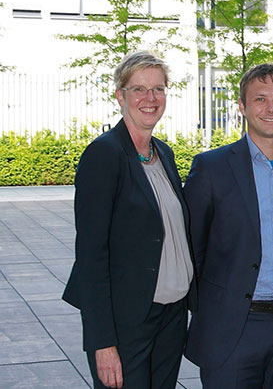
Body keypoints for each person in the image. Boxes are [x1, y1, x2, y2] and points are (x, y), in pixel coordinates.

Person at [183, 63, 273, 388]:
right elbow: (191, 247)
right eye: (260, 99)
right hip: (233, 328)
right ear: (242, 106)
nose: (271, 108)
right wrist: (209, 313)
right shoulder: (211, 168)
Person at [62, 51, 197, 389]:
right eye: (139, 89)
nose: (150, 99)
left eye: (158, 89)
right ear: (120, 96)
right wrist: (102, 342)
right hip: (128, 321)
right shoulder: (104, 155)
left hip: (171, 316)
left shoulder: (162, 152)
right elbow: (91, 256)